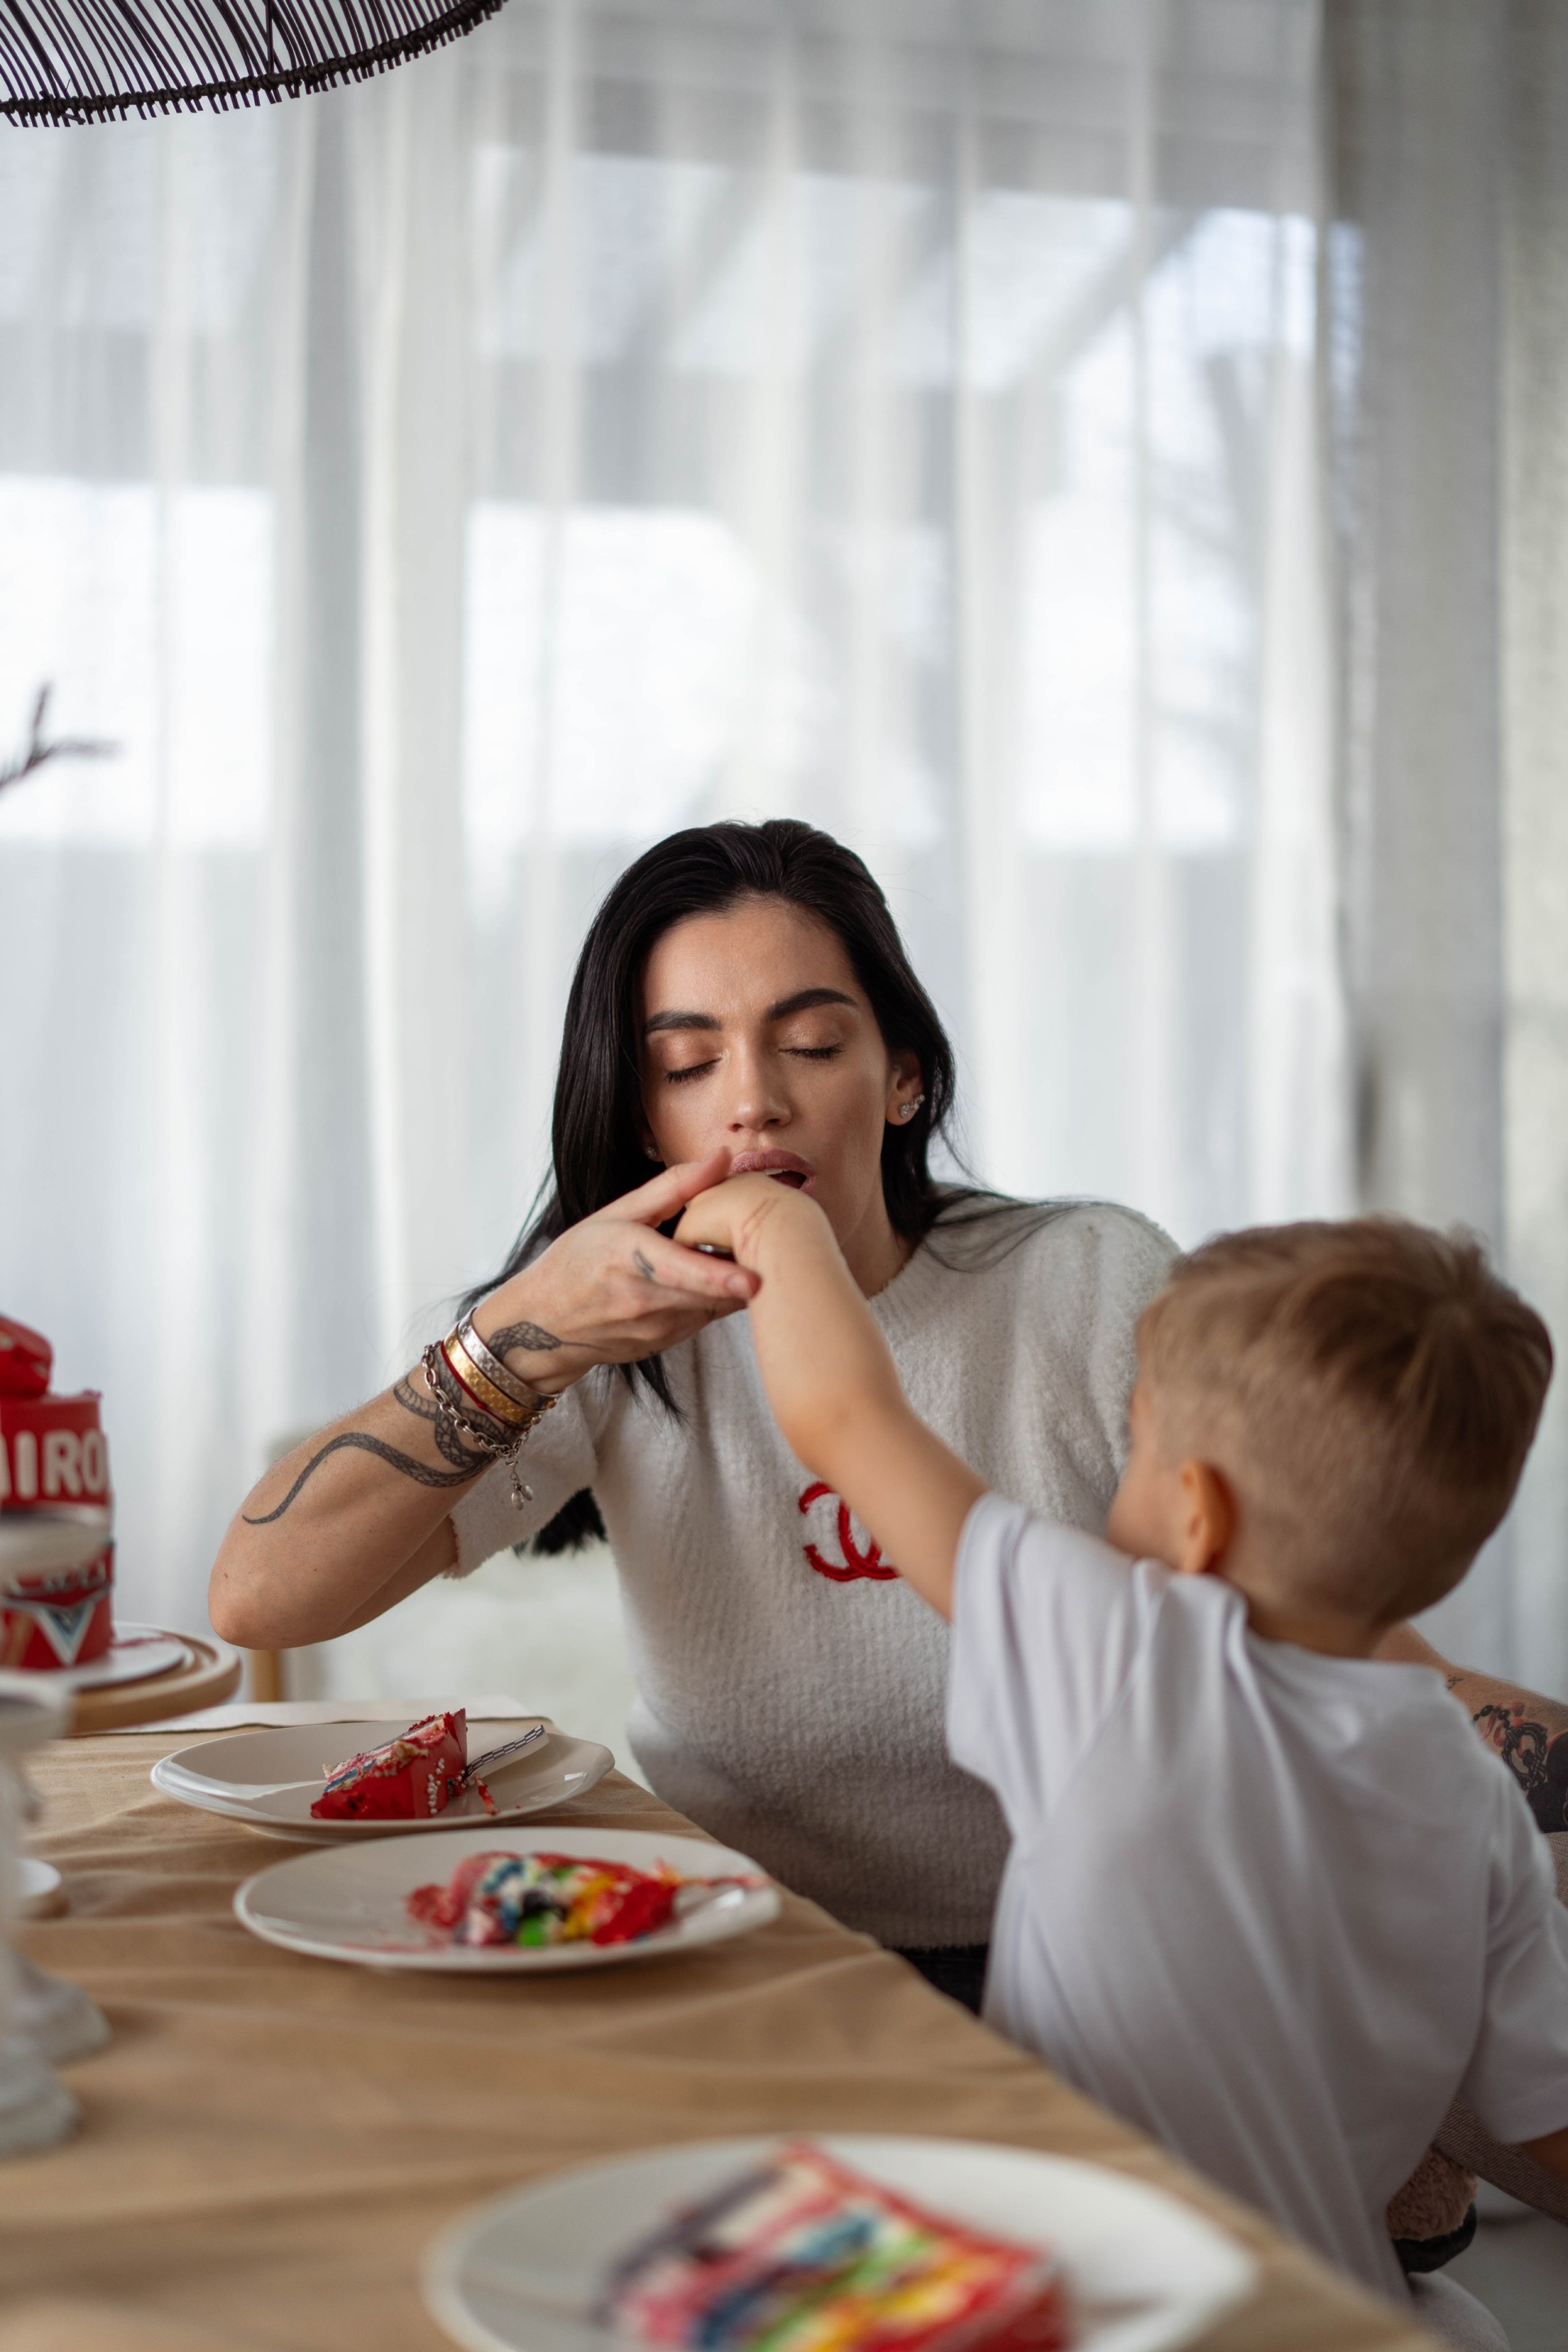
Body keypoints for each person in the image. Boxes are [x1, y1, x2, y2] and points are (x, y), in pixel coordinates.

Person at [211, 821, 1175, 2002]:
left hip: (1095, 1968)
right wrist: (524, 1332)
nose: (753, 1105)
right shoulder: (608, 1333)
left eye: (812, 1045)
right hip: (728, 1958)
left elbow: (1295, 1651)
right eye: (686, 1067)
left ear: (906, 1077)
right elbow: (260, 1596)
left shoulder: (1092, 1279)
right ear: (640, 1118)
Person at [670, 1173, 1568, 2321]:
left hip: (1096, 2305)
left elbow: (847, 1417)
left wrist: (774, 1223)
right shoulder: (1468, 1790)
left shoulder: (1118, 1652)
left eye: (1135, 1441)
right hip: (1332, 2308)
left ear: (1197, 1514)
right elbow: (1545, 2105)